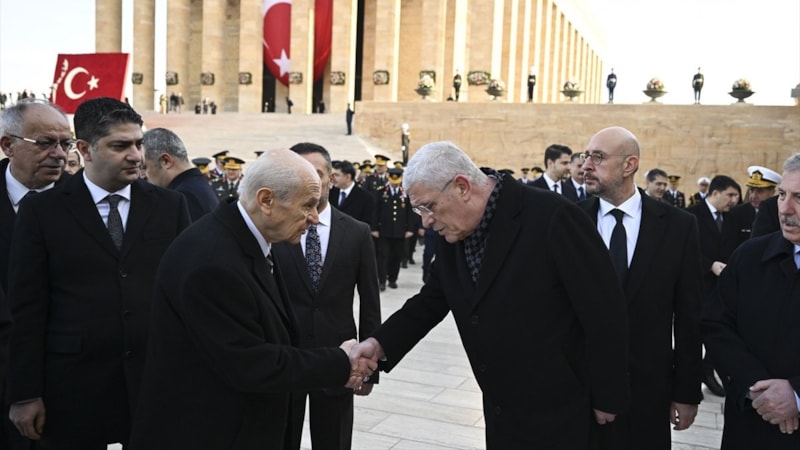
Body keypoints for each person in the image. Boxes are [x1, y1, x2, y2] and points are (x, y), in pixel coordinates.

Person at [350, 141, 630, 448]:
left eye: (428, 206)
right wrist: (378, 344)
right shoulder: (452, 231)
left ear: (462, 187)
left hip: (564, 408)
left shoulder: (553, 217)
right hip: (502, 410)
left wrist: (608, 395)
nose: (426, 221)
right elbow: (430, 301)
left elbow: (605, 312)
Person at [128, 149, 375, 450]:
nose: (314, 217)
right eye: (307, 205)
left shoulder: (249, 239)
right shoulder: (213, 262)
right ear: (266, 200)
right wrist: (341, 361)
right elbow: (252, 363)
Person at [6, 97, 192, 449]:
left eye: (139, 143)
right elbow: (27, 308)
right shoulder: (42, 211)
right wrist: (25, 393)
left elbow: (186, 297)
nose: (136, 155)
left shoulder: (170, 206)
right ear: (85, 149)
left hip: (153, 385)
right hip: (72, 390)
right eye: (120, 146)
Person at [578, 126, 703, 450]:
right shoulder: (570, 221)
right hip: (580, 393)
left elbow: (689, 317)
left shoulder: (679, 226)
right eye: (586, 156)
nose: (586, 165)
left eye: (598, 157)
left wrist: (687, 392)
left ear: (629, 165)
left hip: (648, 395)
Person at [272, 143, 381, 450]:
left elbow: (370, 302)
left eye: (316, 174)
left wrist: (371, 368)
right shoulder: (274, 230)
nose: (308, 183)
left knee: (333, 440)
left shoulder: (357, 233)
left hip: (339, 358)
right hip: (285, 359)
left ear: (332, 178)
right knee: (281, 437)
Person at [702, 153, 800, 449]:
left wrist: (795, 394)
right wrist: (757, 388)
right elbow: (716, 324)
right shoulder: (749, 257)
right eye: (783, 195)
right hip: (751, 422)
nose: (786, 209)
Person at [0, 98, 74, 449]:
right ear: (7, 145)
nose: (59, 153)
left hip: (64, 387)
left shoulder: (87, 203)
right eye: (45, 143)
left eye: (66, 143)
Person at [686, 174, 741, 398]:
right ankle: (692, 374)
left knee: (718, 329)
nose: (734, 201)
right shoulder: (691, 215)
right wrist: (709, 265)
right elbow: (685, 251)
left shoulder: (733, 218)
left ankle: (708, 371)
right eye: (730, 195)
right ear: (715, 193)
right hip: (698, 285)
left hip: (724, 286)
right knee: (694, 331)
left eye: (737, 196)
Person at [142, 127, 219, 221]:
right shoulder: (195, 185)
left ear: (166, 161)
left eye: (144, 167)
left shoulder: (182, 197)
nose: (142, 175)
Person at [373, 167, 414, 291]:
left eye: (397, 180)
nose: (394, 183)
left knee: (396, 256)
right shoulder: (381, 192)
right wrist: (374, 228)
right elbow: (375, 211)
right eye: (392, 179)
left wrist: (410, 228)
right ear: (388, 178)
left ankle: (392, 279)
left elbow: (411, 212)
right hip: (384, 230)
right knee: (383, 256)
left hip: (400, 231)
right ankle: (382, 281)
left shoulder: (405, 193)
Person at [728, 165, 781, 248]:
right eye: (751, 190)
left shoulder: (780, 214)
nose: (753, 196)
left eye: (760, 191)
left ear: (772, 192)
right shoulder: (737, 213)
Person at [329, 160, 375, 227]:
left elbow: (366, 224)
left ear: (348, 177)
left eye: (337, 175)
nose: (333, 178)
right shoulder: (331, 192)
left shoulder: (366, 197)